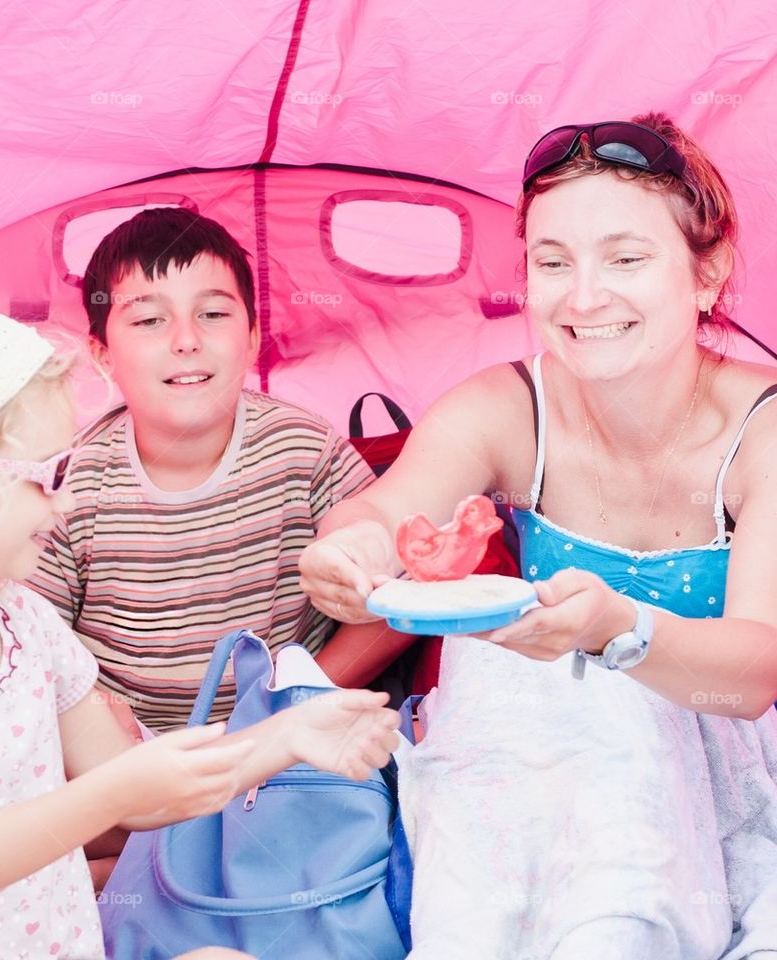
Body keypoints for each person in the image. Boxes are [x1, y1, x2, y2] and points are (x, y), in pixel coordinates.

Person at [299, 113, 777, 959]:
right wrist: (350, 552)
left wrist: (615, 630)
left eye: (626, 259)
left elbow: (752, 675)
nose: (583, 297)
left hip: (733, 773)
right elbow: (384, 511)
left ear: (708, 272)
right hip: (545, 773)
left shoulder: (763, 431)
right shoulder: (507, 407)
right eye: (553, 263)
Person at [0, 277, 399, 958]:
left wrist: (287, 737)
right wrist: (109, 793)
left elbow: (141, 791)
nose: (61, 507)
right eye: (42, 479)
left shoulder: (23, 622)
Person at [28, 206, 413, 734]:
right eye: (148, 320)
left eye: (212, 314)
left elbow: (400, 602)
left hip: (285, 740)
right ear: (102, 355)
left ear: (253, 338)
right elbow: (31, 649)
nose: (186, 340)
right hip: (126, 756)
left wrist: (300, 704)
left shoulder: (302, 450)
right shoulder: (72, 485)